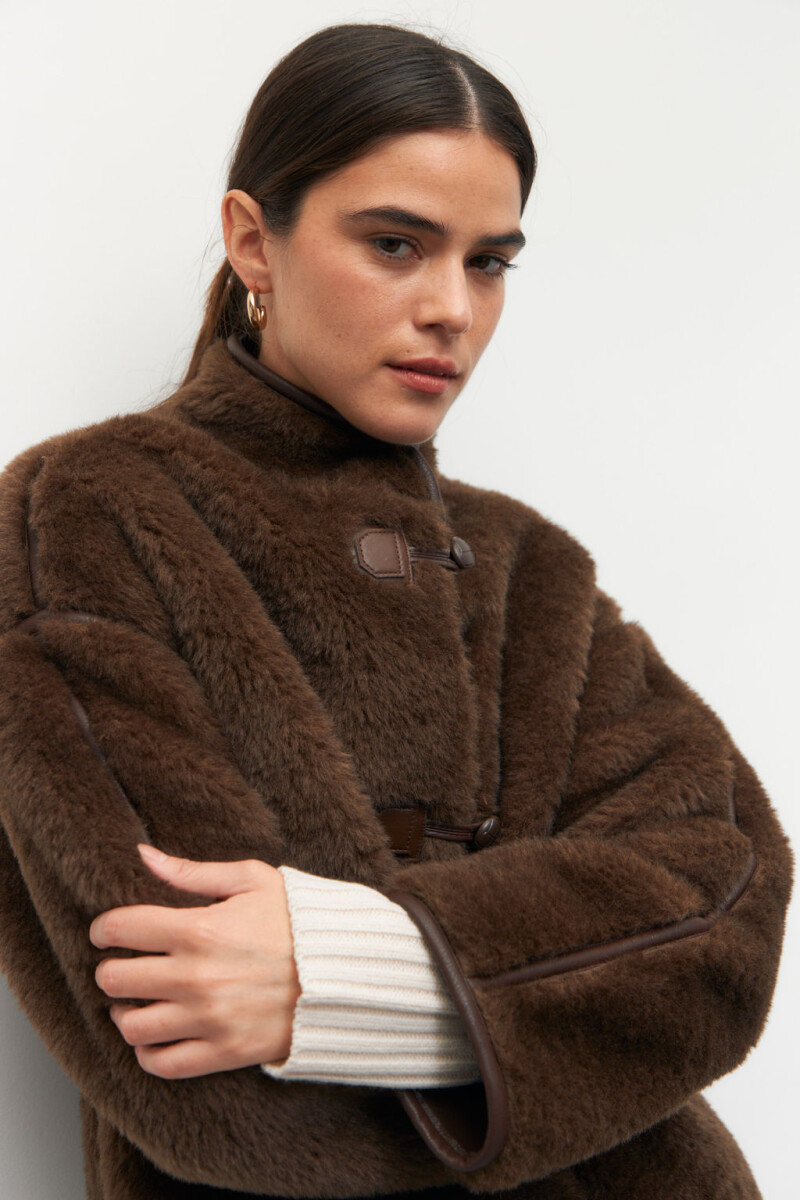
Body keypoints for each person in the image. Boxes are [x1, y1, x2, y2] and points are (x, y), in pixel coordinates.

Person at [0, 20, 792, 1200]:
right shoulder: (80, 512)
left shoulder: (528, 566)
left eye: (488, 262)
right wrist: (563, 1005)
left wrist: (343, 973)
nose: (450, 309)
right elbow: (206, 1075)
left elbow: (727, 903)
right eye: (393, 244)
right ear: (253, 241)